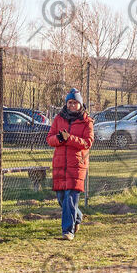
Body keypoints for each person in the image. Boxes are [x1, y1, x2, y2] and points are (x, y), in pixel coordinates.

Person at [47, 89, 95, 239]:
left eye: (75, 102)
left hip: (77, 164)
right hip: (60, 164)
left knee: (69, 198)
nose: (72, 105)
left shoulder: (87, 121)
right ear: (66, 104)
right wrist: (60, 138)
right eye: (70, 102)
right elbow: (49, 139)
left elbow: (88, 142)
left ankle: (68, 231)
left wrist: (70, 138)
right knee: (61, 198)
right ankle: (78, 217)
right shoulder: (58, 119)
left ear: (80, 104)